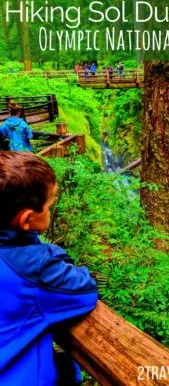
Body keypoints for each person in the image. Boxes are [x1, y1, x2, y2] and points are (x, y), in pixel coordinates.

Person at [0, 152, 98, 385]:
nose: (51, 212)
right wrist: (49, 254)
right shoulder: (35, 270)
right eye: (49, 205)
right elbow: (85, 289)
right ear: (26, 220)